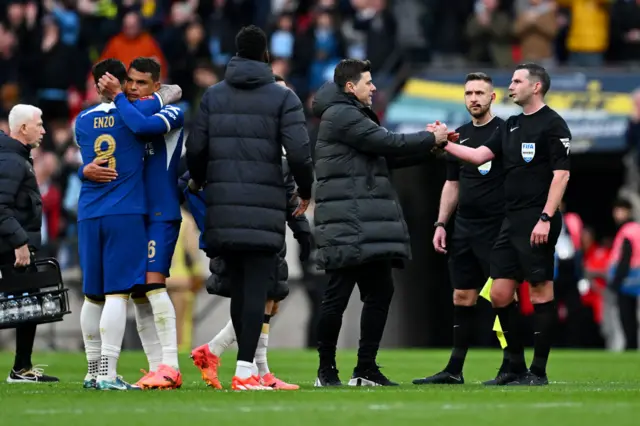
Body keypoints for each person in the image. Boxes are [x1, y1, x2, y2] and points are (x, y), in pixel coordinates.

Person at [185, 25, 314, 391]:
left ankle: (245, 368)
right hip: (264, 204)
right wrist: (305, 190)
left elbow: (196, 148)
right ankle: (245, 370)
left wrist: (199, 181)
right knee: (257, 286)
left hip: (223, 204)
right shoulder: (282, 98)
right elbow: (300, 154)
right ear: (266, 56)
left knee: (241, 286)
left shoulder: (213, 96)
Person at [311, 59, 450, 387]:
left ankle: (365, 369)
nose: (374, 87)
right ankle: (326, 370)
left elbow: (386, 155)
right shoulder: (342, 114)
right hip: (347, 220)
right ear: (350, 87)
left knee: (379, 290)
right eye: (368, 82)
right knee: (337, 296)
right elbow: (387, 143)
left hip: (361, 221)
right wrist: (430, 137)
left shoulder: (350, 114)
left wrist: (432, 148)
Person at [435, 63, 571, 385]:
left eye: (517, 81)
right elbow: (479, 156)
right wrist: (443, 143)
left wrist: (546, 217)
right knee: (499, 293)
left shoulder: (553, 124)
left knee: (539, 293)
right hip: (511, 221)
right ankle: (514, 367)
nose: (511, 86)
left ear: (535, 87)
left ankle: (537, 372)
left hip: (537, 218)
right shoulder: (510, 126)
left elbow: (561, 174)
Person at [75, 58, 180, 391]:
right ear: (119, 83)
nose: (134, 89)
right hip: (128, 212)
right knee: (123, 294)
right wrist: (163, 95)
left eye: (141, 83)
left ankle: (167, 366)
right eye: (129, 82)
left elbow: (143, 126)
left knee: (148, 287)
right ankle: (112, 372)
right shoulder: (135, 114)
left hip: (153, 212)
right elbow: (137, 124)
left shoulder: (83, 119)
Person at [412, 72, 510, 386]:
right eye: (469, 93)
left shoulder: (504, 131)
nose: (474, 98)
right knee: (462, 296)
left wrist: (442, 142)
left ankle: (514, 366)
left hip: (498, 227)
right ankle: (454, 369)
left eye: (480, 93)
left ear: (493, 97)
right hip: (465, 228)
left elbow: (478, 157)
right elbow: (452, 183)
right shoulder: (460, 135)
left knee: (502, 296)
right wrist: (441, 223)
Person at [0, 104, 58, 383]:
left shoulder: (16, 156)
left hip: (10, 245)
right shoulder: (12, 160)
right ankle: (20, 368)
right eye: (39, 124)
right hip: (9, 248)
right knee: (26, 305)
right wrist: (20, 242)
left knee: (29, 305)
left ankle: (21, 368)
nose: (44, 130)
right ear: (23, 128)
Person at [608, 198, 640, 350]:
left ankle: (630, 346)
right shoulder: (636, 228)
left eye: (620, 210)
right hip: (635, 278)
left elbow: (625, 257)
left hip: (629, 280)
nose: (616, 214)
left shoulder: (627, 230)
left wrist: (616, 282)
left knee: (627, 317)